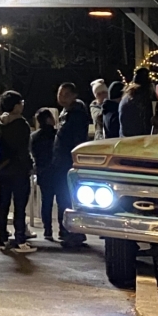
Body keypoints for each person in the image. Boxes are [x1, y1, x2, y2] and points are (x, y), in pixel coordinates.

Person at [0, 90, 36, 253]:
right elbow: (23, 150)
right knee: (19, 206)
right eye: (21, 102)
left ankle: (2, 238)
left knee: (2, 204)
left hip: (2, 169)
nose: (23, 105)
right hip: (18, 169)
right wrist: (30, 166)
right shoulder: (21, 124)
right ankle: (20, 241)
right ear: (16, 106)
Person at [53, 82, 90, 248]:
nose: (61, 97)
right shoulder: (66, 112)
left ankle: (73, 231)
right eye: (60, 94)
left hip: (69, 163)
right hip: (62, 162)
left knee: (68, 198)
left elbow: (75, 140)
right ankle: (67, 230)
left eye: (65, 94)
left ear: (74, 95)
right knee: (64, 198)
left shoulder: (76, 114)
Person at [31, 107, 59, 241]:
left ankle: (48, 230)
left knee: (46, 202)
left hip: (43, 172)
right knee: (62, 201)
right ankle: (63, 230)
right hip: (56, 171)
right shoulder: (57, 135)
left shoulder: (34, 137)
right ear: (48, 119)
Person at [119, 68, 154, 138]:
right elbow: (145, 124)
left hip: (124, 138)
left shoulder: (127, 97)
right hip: (138, 140)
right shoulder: (142, 98)